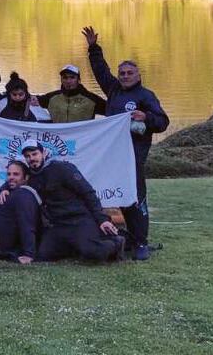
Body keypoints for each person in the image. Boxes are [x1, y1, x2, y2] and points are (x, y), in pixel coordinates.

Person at [84, 26, 169, 260]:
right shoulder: (113, 91)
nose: (124, 76)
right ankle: (128, 237)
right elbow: (101, 71)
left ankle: (141, 242)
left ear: (138, 75)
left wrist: (146, 117)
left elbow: (163, 122)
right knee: (116, 195)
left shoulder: (145, 96)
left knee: (135, 196)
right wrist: (93, 48)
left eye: (129, 73)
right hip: (111, 156)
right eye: (122, 73)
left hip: (133, 155)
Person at [21, 140, 124, 262]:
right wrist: (4, 190)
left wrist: (102, 219)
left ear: (43, 153)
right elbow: (14, 183)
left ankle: (116, 242)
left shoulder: (62, 168)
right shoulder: (32, 178)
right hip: (58, 225)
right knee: (43, 255)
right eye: (27, 156)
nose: (31, 158)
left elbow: (88, 193)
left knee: (92, 253)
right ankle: (76, 246)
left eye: (34, 154)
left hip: (80, 220)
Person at [38, 65, 107, 124]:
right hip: (59, 138)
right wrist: (32, 99)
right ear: (61, 80)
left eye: (72, 77)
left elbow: (112, 111)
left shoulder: (92, 99)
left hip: (83, 138)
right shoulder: (51, 98)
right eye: (65, 78)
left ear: (79, 80)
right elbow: (30, 100)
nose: (68, 81)